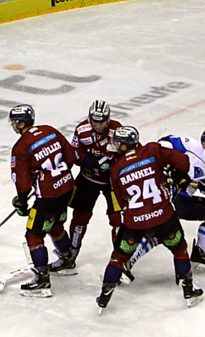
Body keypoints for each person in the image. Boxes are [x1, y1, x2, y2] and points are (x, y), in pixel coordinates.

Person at [96, 126, 203, 311]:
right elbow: (184, 163)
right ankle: (188, 290)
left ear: (124, 146)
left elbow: (122, 201)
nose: (114, 145)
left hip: (134, 223)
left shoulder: (116, 169)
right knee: (179, 249)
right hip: (164, 217)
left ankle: (104, 296)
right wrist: (174, 176)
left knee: (118, 258)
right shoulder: (153, 150)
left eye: (117, 143)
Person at [123, 128, 205, 275]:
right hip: (166, 194)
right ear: (204, 142)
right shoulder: (190, 146)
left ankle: (199, 254)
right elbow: (164, 143)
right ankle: (126, 263)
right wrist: (169, 167)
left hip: (183, 200)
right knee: (158, 232)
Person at [8, 104, 77, 297]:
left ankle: (42, 279)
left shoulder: (21, 147)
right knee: (55, 224)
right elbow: (70, 156)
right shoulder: (50, 131)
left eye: (14, 122)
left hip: (48, 196)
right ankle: (67, 259)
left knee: (34, 234)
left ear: (21, 123)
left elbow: (22, 182)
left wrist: (22, 202)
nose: (13, 126)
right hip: (67, 187)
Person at [53, 99, 123, 274]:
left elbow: (128, 153)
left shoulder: (118, 130)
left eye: (102, 121)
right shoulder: (82, 130)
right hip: (87, 179)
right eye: (95, 121)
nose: (98, 125)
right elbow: (74, 152)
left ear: (108, 119)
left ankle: (121, 261)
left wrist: (114, 165)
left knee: (118, 220)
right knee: (79, 218)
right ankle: (71, 254)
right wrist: (87, 160)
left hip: (112, 183)